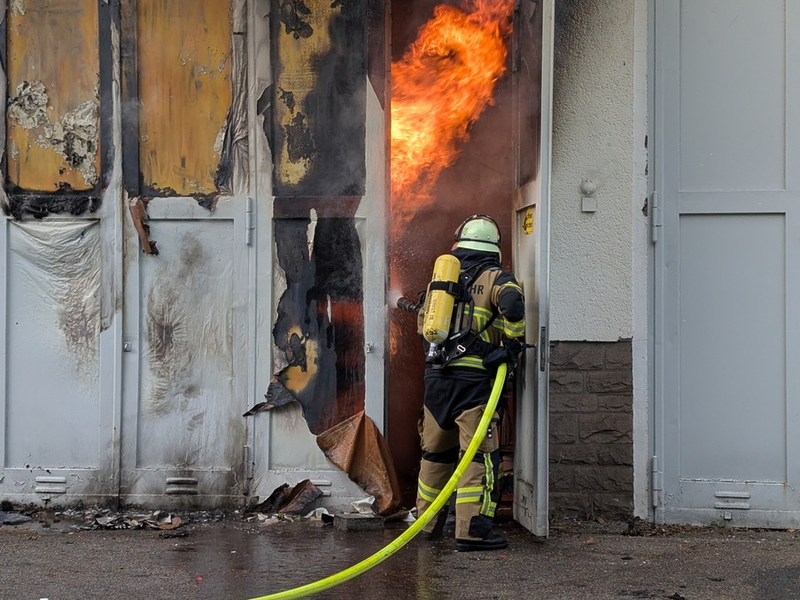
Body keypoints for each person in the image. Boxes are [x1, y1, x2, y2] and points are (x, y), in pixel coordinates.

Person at [415, 214, 526, 551]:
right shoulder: (496, 277)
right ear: (494, 247)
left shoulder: (442, 279)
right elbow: (512, 304)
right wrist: (510, 347)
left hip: (437, 380)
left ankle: (426, 524)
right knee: (478, 456)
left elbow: (424, 329)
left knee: (435, 454)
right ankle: (471, 532)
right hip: (474, 384)